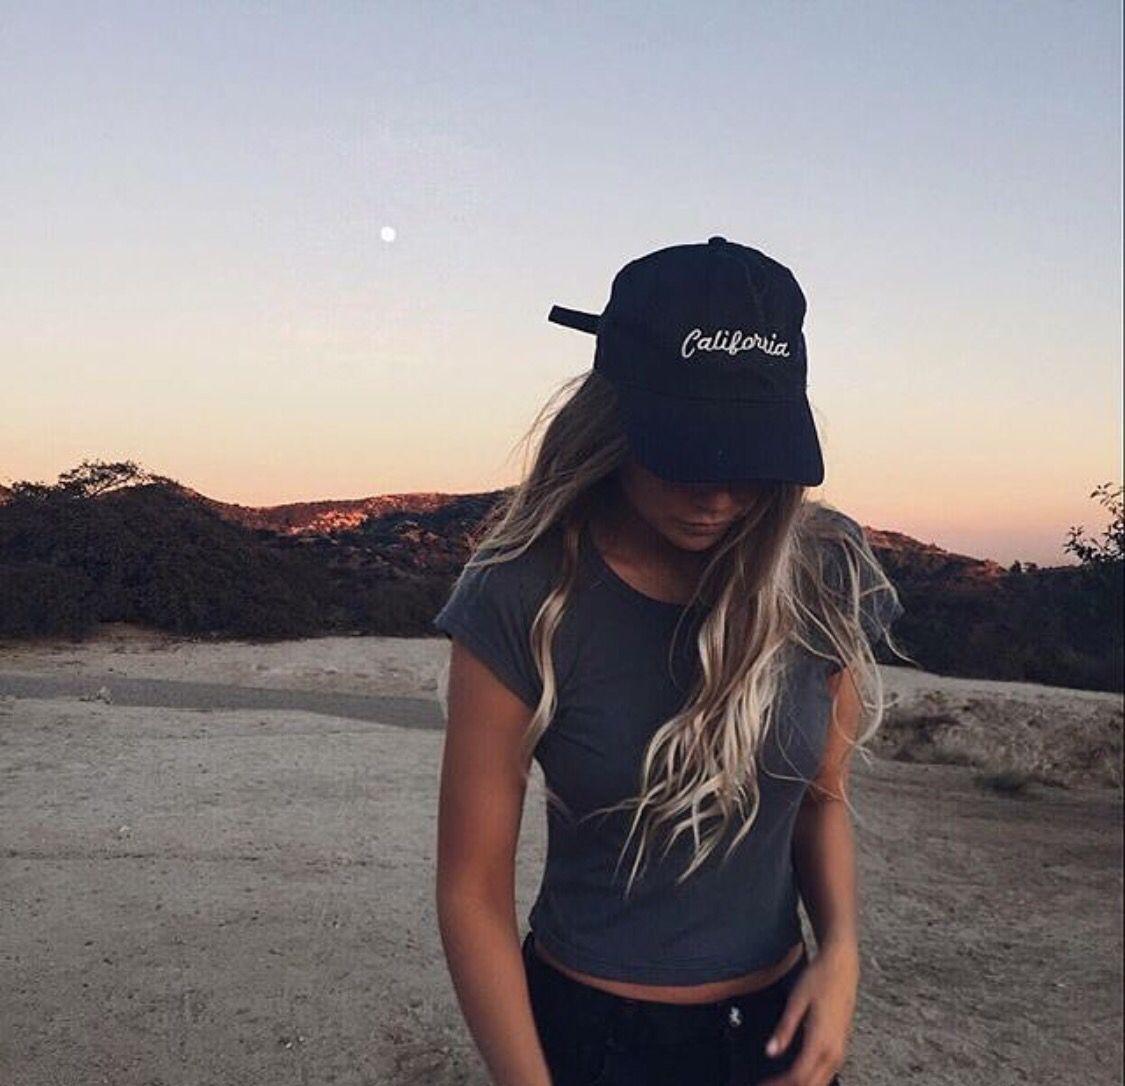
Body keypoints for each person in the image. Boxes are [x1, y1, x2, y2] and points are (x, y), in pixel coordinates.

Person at [433, 236, 910, 1086]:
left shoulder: (823, 572)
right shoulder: (521, 593)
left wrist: (840, 954)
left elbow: (818, 799)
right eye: (687, 451)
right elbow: (471, 891)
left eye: (750, 455)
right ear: (613, 418)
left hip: (776, 1034)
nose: (719, 495)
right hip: (590, 1042)